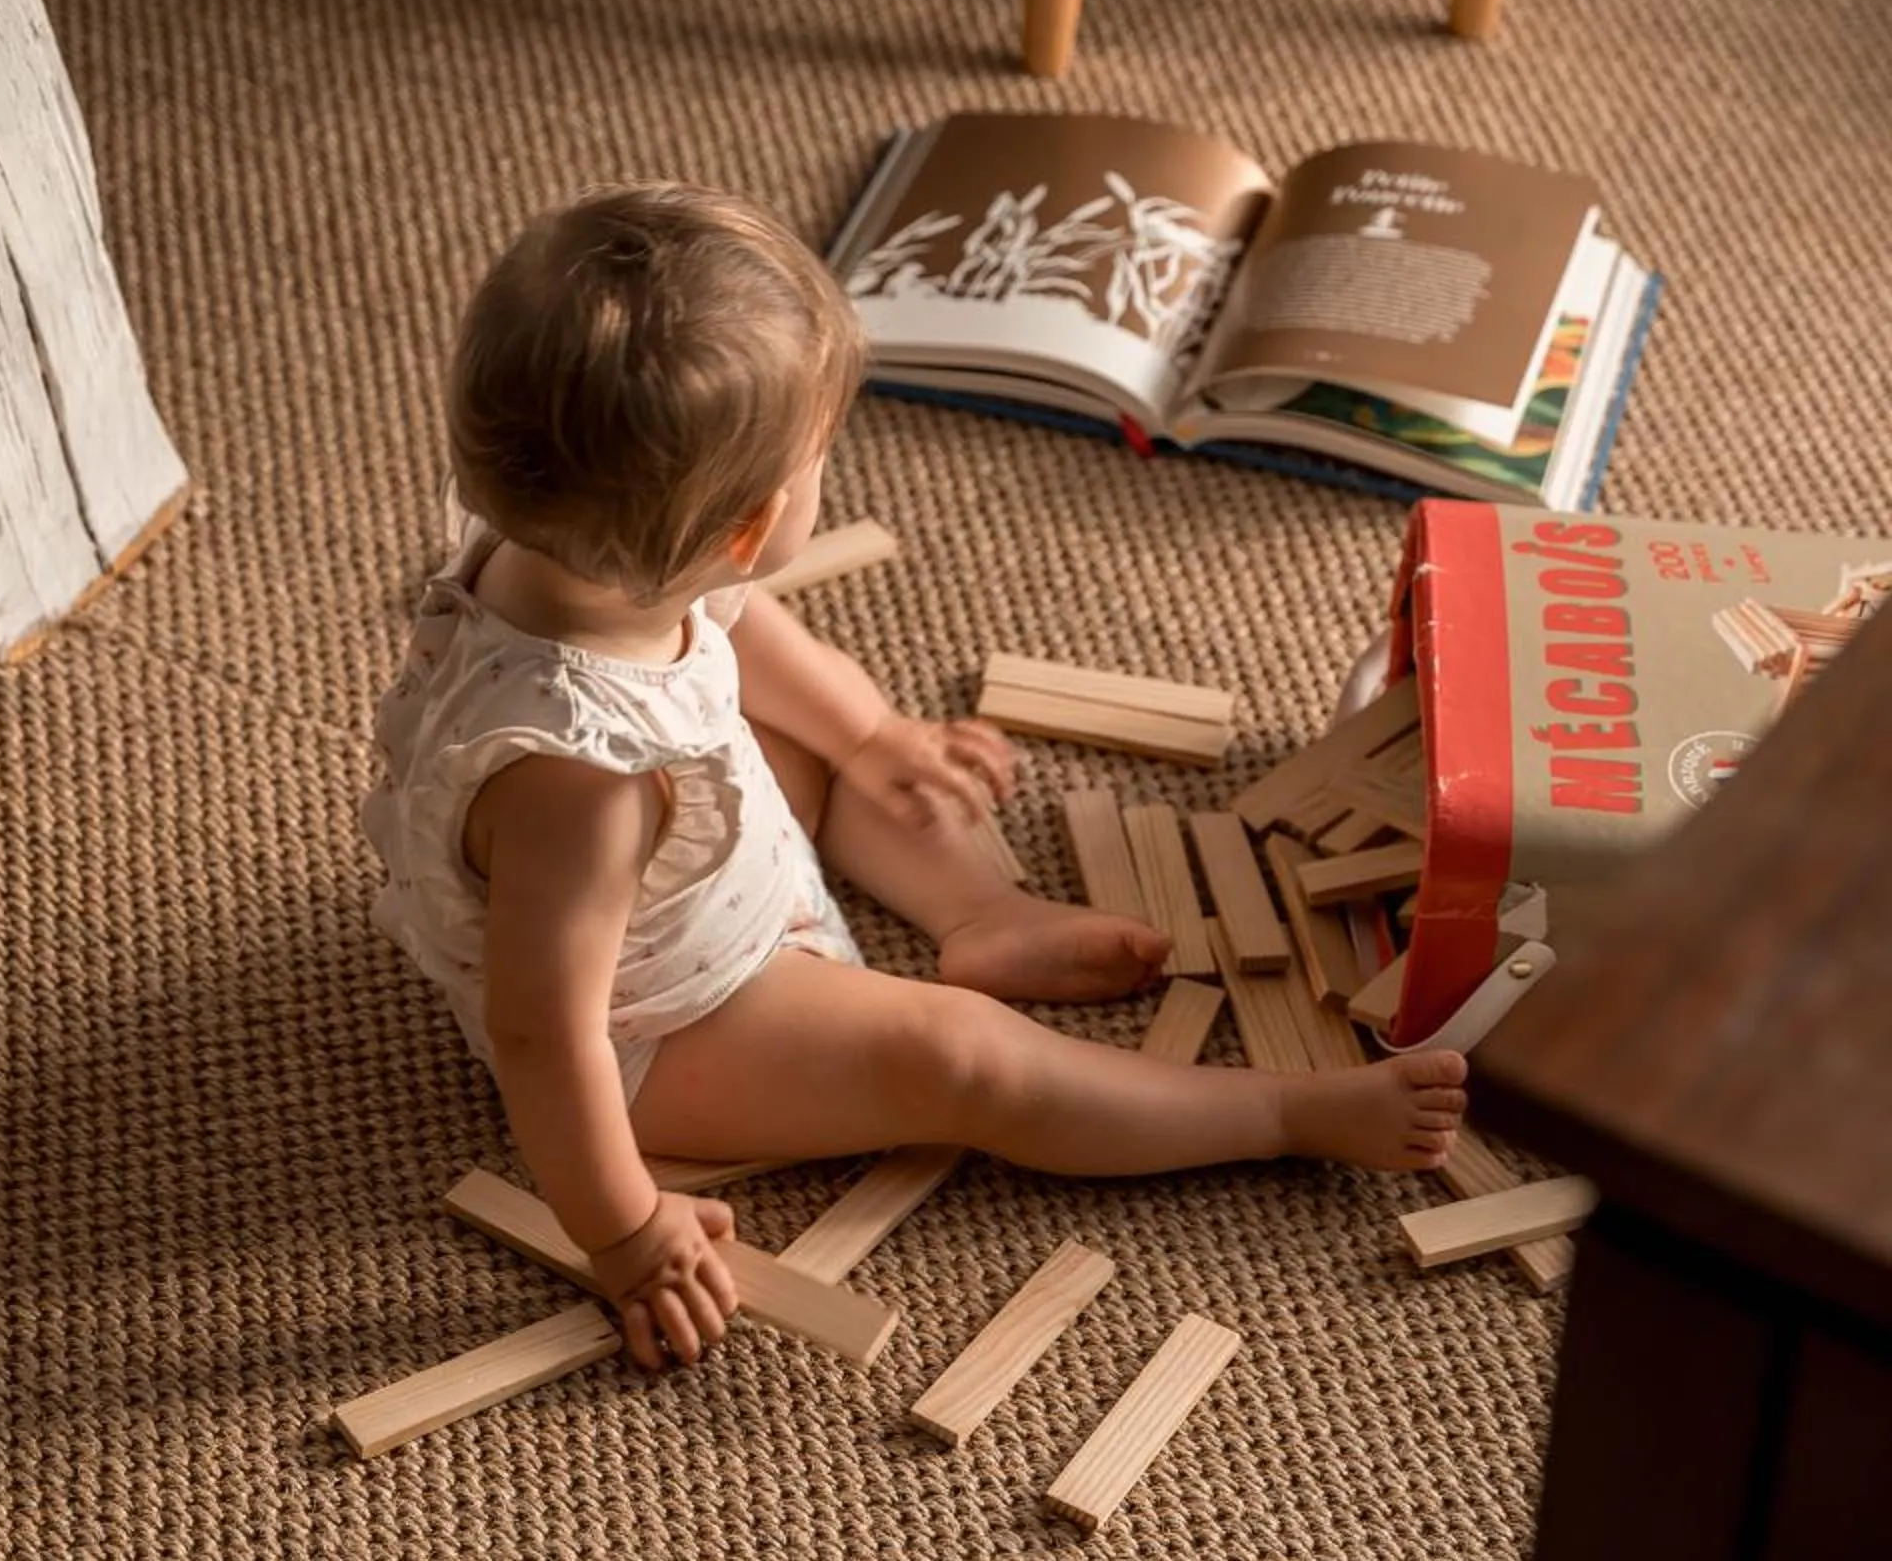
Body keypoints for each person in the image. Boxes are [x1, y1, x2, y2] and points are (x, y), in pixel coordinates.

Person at [365, 185, 1465, 1372]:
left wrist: (872, 735)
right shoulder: (584, 787)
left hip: (675, 879)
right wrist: (625, 1230)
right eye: (817, 461)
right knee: (961, 1056)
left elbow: (739, 625)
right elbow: (545, 1034)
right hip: (667, 1034)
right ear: (748, 527)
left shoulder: (573, 548)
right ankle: (1276, 1113)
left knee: (833, 750)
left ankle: (982, 914)